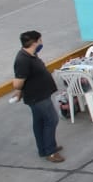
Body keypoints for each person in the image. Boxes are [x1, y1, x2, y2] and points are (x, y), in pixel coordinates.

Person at [10, 31, 62, 163]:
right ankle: (50, 151)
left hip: (42, 94)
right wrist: (18, 91)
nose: (42, 43)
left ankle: (44, 148)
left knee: (39, 122)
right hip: (37, 97)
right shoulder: (22, 60)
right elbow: (18, 82)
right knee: (52, 120)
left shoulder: (31, 55)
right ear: (34, 43)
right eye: (40, 40)